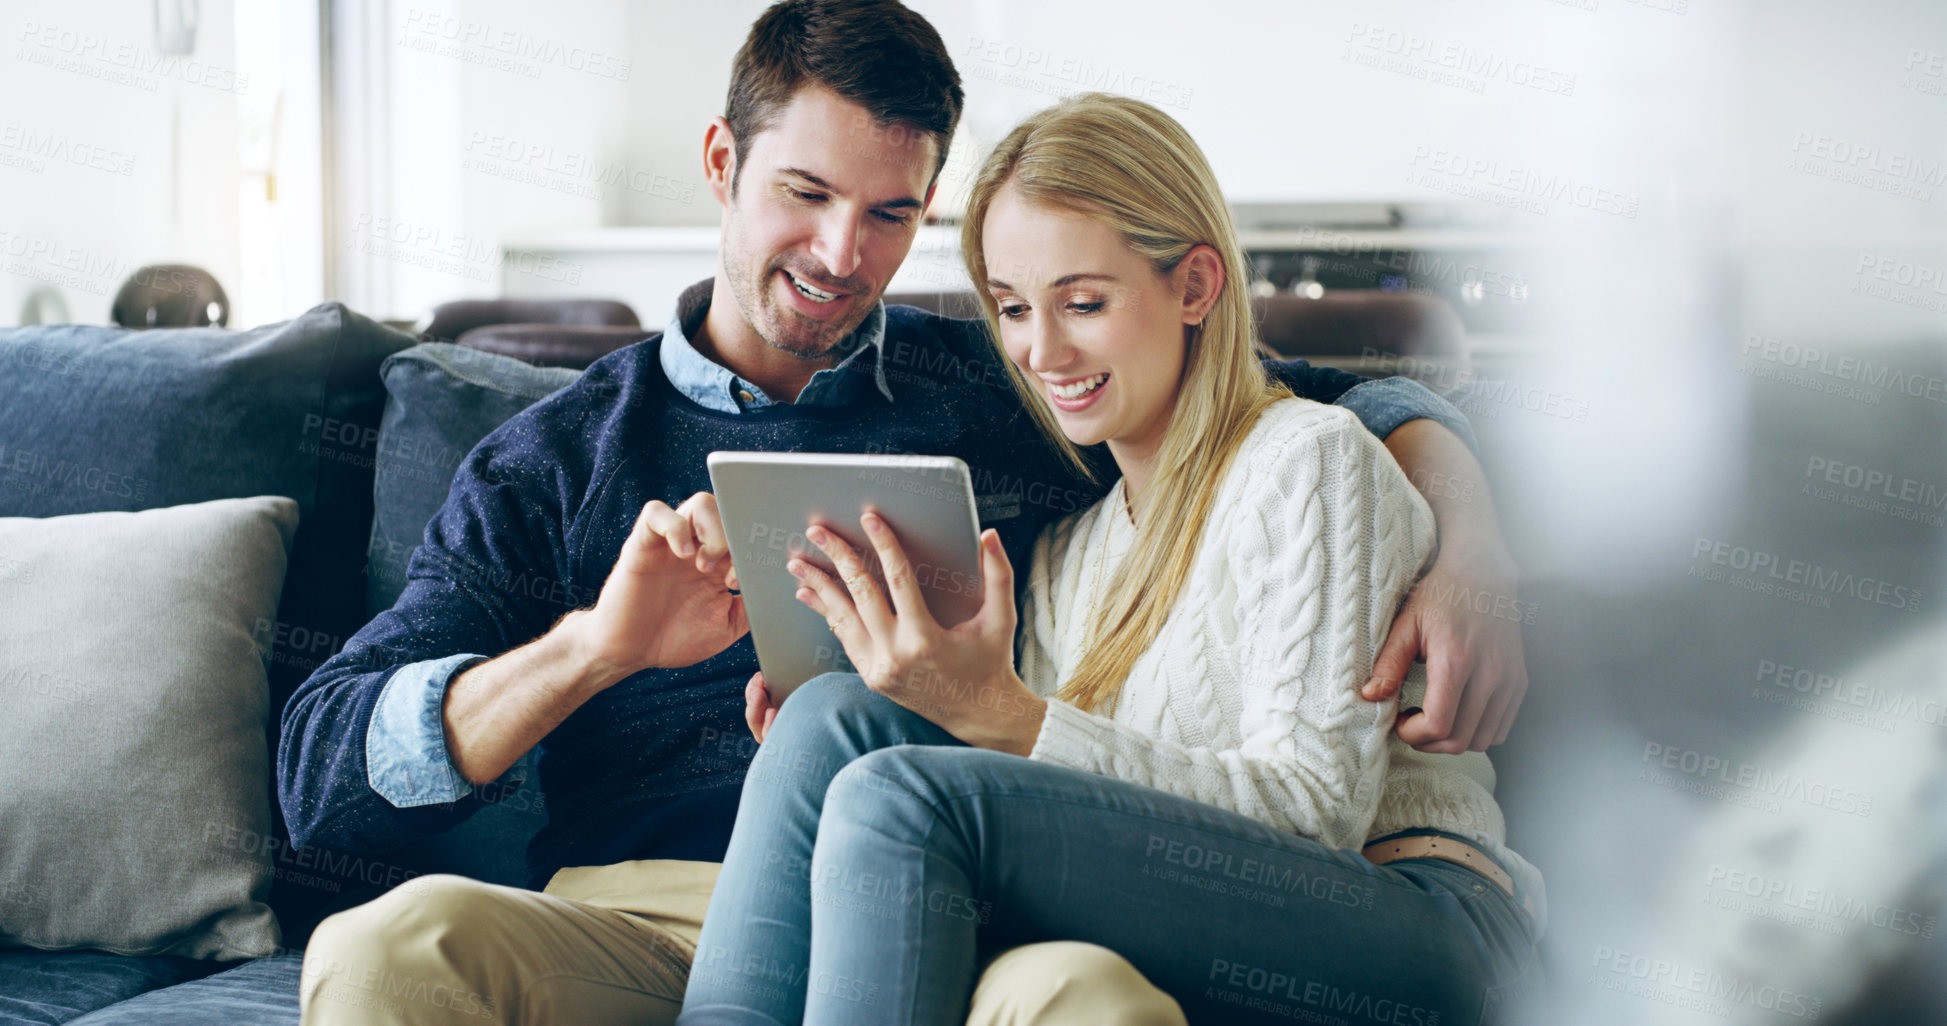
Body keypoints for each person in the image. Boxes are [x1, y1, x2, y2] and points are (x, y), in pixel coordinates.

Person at [285, 3, 1524, 1024]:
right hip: (640, 912)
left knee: (1080, 994)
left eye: (890, 214)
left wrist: (1469, 554)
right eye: (805, 193)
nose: (840, 252)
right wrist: (592, 650)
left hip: (947, 889)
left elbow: (1314, 403)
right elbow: (323, 772)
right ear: (723, 164)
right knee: (389, 950)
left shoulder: (1014, 386)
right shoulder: (552, 458)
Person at [675, 93, 1544, 1026]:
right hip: (1226, 904)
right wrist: (920, 699)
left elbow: (1316, 814)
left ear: (1196, 287)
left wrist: (1002, 716)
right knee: (832, 719)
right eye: (1011, 308)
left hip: (1417, 913)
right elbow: (1082, 803)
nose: (1041, 351)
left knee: (901, 797)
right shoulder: (1071, 551)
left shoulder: (1311, 463)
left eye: (1083, 302)